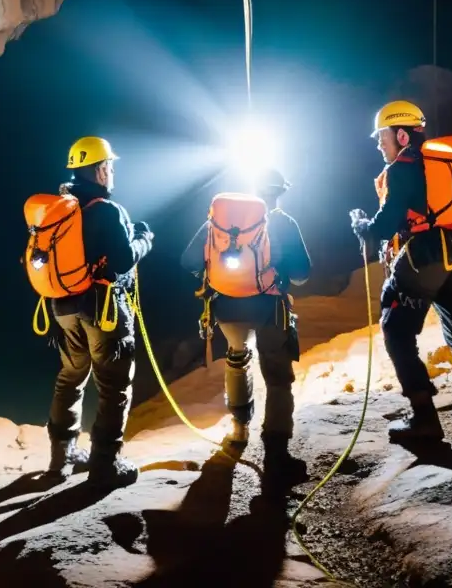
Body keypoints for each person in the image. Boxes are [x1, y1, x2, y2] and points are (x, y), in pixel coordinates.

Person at [349, 100, 452, 441]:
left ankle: (424, 417)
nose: (378, 143)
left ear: (401, 134)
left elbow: (385, 224)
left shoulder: (402, 168)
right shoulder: (441, 165)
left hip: (425, 257)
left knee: (397, 331)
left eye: (382, 136)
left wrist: (363, 227)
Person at [181, 168, 312, 485]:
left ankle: (239, 430)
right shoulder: (282, 222)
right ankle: (276, 454)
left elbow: (188, 262)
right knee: (278, 377)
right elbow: (301, 275)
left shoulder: (220, 222)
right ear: (280, 192)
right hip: (270, 308)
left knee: (237, 359)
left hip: (226, 308)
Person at [44, 136, 154, 487]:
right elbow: (122, 259)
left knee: (70, 377)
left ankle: (61, 460)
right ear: (99, 169)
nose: (111, 171)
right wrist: (144, 238)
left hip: (62, 308)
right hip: (102, 310)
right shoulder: (107, 210)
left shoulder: (59, 208)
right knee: (113, 385)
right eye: (109, 166)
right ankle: (105, 464)